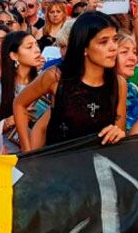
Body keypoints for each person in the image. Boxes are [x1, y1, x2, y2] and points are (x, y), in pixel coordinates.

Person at [13, 12, 127, 151]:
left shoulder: (119, 84)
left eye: (115, 40)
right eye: (103, 42)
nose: (113, 47)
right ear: (84, 47)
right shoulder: (56, 77)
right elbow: (19, 104)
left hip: (98, 167)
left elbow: (118, 133)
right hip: (58, 166)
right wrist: (27, 152)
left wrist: (118, 134)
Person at [0, 32, 42, 152]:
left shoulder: (44, 83)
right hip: (9, 158)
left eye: (37, 45)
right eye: (29, 47)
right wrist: (9, 122)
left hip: (41, 155)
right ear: (14, 56)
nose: (37, 50)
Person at [115, 33, 138, 130]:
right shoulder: (99, 90)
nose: (133, 58)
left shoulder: (132, 89)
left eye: (134, 52)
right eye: (124, 52)